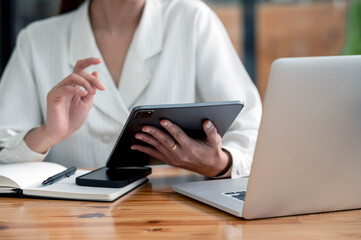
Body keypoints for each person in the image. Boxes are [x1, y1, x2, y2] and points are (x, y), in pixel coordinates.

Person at [0, 0, 262, 178]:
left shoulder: (192, 19)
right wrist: (48, 134)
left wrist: (219, 163)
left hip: (176, 220)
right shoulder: (36, 41)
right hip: (72, 224)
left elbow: (252, 130)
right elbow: (3, 155)